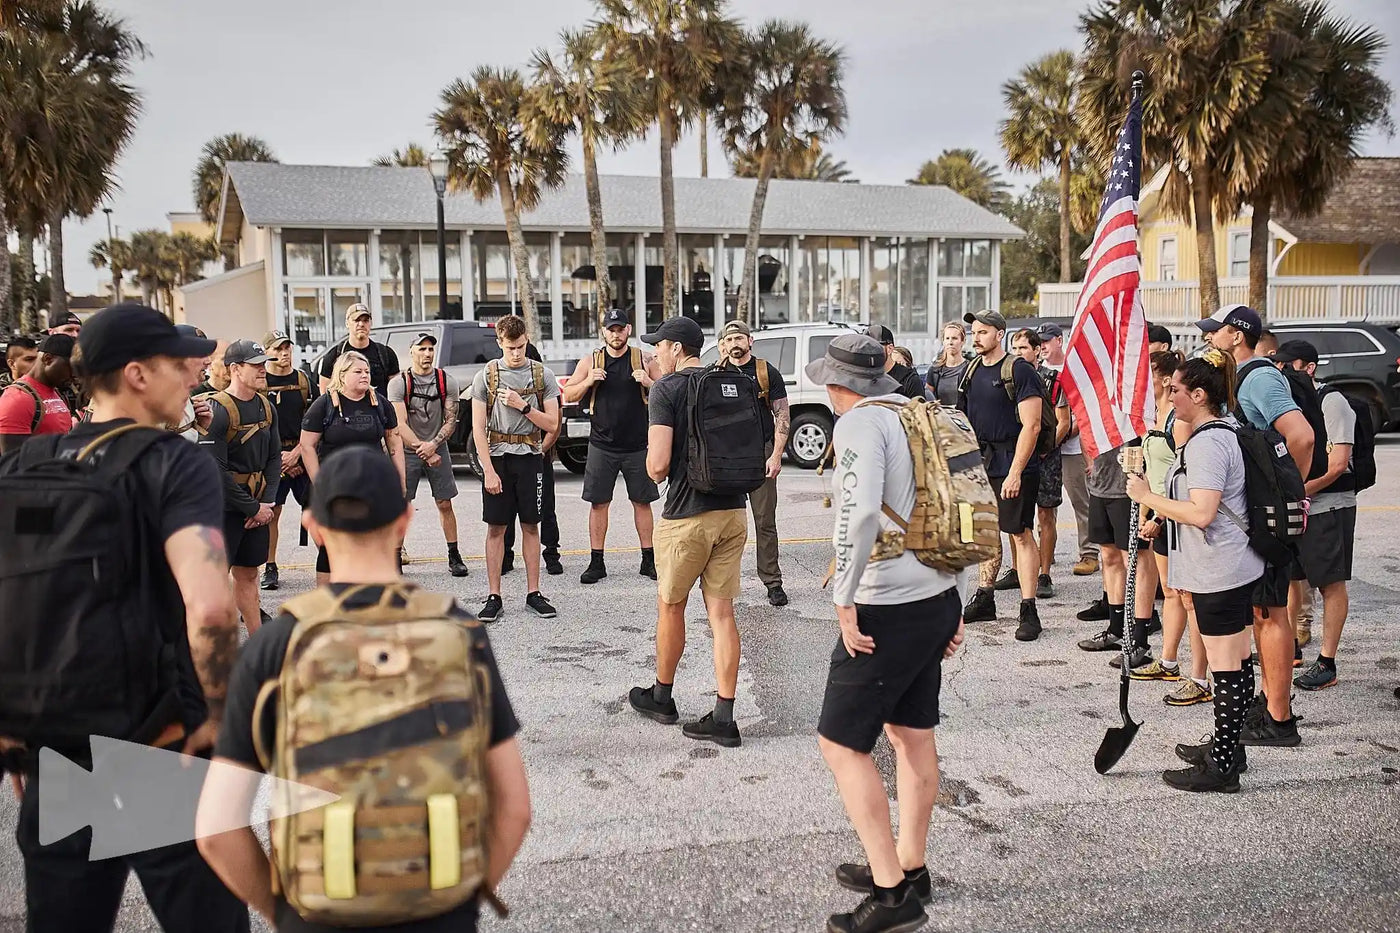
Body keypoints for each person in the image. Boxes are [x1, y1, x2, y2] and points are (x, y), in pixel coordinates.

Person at [196, 445, 530, 933]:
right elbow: (515, 808)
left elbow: (215, 827)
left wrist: (286, 915)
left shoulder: (276, 645)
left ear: (313, 527)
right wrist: (460, 905)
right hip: (440, 915)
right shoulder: (459, 632)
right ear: (404, 522)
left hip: (319, 916)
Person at [0, 302, 248, 932]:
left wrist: (12, 724)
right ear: (136, 374)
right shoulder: (175, 462)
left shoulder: (25, 464)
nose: (191, 375)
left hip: (57, 747)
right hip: (159, 745)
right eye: (176, 364)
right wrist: (222, 717)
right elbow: (211, 605)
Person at [809, 334, 966, 933]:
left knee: (841, 744)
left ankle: (892, 893)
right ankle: (910, 866)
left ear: (837, 384)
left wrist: (844, 599)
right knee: (911, 735)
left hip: (886, 604)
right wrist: (956, 595)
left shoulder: (858, 424)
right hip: (934, 596)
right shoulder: (926, 414)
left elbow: (861, 514)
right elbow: (963, 506)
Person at [1127, 349, 1260, 792]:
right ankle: (1230, 749)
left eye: (1176, 390)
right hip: (1230, 563)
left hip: (1219, 567)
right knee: (1237, 660)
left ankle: (1221, 767)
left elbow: (1203, 512)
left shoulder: (1208, 442)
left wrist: (1148, 497)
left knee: (1226, 666)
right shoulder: (1222, 431)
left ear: (1199, 395)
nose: (1169, 396)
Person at [628, 315, 749, 748]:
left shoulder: (667, 388)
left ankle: (662, 698)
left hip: (687, 517)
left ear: (677, 348)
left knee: (671, 607)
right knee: (722, 615)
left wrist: (649, 462)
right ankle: (724, 716)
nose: (656, 353)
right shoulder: (731, 381)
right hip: (733, 511)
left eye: (660, 345)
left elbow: (658, 466)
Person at [1198, 304, 1312, 747]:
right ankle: (1268, 702)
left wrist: (1287, 494)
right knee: (1261, 613)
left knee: (1270, 613)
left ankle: (1279, 719)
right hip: (1252, 516)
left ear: (1237, 335)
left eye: (1216, 331)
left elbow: (1301, 436)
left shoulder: (1258, 377)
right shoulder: (1238, 376)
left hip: (1266, 516)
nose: (1210, 338)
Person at [1129, 350, 1214, 707]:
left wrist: (1159, 517)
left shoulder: (1178, 423)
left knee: (1190, 598)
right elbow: (1154, 473)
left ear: (1165, 380)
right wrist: (1145, 511)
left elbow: (1182, 476)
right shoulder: (1156, 416)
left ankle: (1200, 677)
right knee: (1172, 592)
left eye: (1147, 374)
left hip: (1176, 516)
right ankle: (1168, 661)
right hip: (1160, 512)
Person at [1273, 340, 1356, 692]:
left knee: (1329, 584)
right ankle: (1291, 646)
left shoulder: (1331, 402)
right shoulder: (1290, 402)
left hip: (1328, 505)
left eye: (1287, 364)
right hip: (1298, 505)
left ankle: (1327, 661)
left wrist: (1299, 491)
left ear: (1308, 367)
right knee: (1294, 579)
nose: (1281, 371)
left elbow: (1338, 465)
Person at [956, 310, 1043, 641]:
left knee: (1020, 534)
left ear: (1000, 334)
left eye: (983, 332)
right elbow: (963, 421)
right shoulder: (971, 370)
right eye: (974, 331)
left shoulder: (1019, 370)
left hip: (1013, 461)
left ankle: (1029, 608)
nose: (976, 337)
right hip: (982, 462)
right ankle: (985, 598)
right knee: (986, 534)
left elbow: (1032, 425)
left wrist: (1015, 472)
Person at [469, 315, 561, 623]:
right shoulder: (486, 375)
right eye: (511, 348)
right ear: (500, 343)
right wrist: (488, 470)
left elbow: (553, 424)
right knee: (496, 527)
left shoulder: (542, 374)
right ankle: (494, 595)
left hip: (530, 457)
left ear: (526, 340)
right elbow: (478, 428)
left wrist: (523, 405)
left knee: (531, 525)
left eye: (521, 346)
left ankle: (534, 593)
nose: (517, 353)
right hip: (498, 458)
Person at [561, 307, 660, 585]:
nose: (616, 334)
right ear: (603, 332)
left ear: (628, 330)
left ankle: (648, 560)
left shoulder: (643, 358)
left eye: (620, 329)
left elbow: (667, 391)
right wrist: (588, 380)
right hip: (601, 445)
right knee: (598, 503)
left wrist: (648, 381)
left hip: (638, 445)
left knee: (642, 502)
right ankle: (597, 562)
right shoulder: (591, 361)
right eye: (611, 329)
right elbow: (569, 393)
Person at [196, 339, 281, 636]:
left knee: (249, 575)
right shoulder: (217, 409)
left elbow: (274, 458)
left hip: (257, 508)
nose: (263, 370)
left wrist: (266, 503)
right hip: (224, 510)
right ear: (235, 369)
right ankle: (216, 647)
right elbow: (214, 470)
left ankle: (258, 643)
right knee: (216, 582)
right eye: (256, 365)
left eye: (264, 364)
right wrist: (253, 508)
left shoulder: (267, 407)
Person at [300, 350, 405, 585]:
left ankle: (371, 598)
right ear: (342, 374)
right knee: (330, 550)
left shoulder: (380, 403)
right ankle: (328, 602)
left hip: (373, 488)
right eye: (358, 371)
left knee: (373, 547)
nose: (365, 375)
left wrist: (400, 481)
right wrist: (320, 484)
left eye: (367, 371)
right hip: (335, 489)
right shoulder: (325, 404)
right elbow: (307, 446)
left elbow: (395, 443)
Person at [718, 319, 790, 606]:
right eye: (729, 339)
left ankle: (773, 582)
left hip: (761, 453)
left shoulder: (765, 372)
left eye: (739, 338)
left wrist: (776, 455)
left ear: (750, 341)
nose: (734, 343)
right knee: (724, 523)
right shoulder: (714, 373)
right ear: (723, 345)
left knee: (764, 521)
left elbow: (782, 415)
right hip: (726, 456)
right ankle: (722, 585)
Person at [389, 331, 470, 577]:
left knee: (445, 502)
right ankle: (394, 555)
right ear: (411, 352)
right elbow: (399, 423)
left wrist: (433, 445)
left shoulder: (446, 381)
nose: (427, 353)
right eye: (421, 349)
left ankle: (454, 555)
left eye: (430, 349)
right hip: (407, 449)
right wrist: (422, 449)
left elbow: (451, 420)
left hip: (437, 446)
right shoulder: (399, 383)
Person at [260, 330, 318, 590]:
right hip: (272, 458)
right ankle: (270, 566)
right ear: (267, 353)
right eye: (278, 349)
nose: (284, 353)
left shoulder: (304, 381)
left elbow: (315, 421)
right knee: (271, 513)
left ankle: (329, 562)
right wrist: (280, 460)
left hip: (302, 453)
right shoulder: (259, 383)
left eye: (287, 348)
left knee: (315, 510)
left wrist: (297, 455)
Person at [501, 341, 564, 577]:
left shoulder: (543, 382)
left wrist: (541, 449)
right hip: (511, 454)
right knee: (508, 509)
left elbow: (555, 424)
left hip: (538, 453)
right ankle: (506, 556)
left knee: (546, 506)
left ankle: (551, 554)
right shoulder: (503, 382)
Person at [1041, 323, 1099, 578]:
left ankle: (1089, 552)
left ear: (1059, 340)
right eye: (1039, 342)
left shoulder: (1073, 369)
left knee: (1081, 502)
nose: (1042, 346)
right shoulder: (1039, 370)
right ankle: (1047, 551)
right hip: (1047, 447)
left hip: (1073, 447)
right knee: (1045, 505)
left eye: (1046, 340)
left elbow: (1083, 410)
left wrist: (1065, 433)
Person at [0, 333, 75, 453]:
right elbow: (12, 460)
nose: (74, 374)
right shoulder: (17, 399)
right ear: (48, 359)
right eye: (71, 367)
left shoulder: (57, 392)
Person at [317, 303, 401, 395]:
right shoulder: (334, 355)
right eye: (356, 320)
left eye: (365, 320)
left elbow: (396, 394)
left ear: (370, 323)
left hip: (379, 404)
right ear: (347, 323)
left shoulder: (386, 354)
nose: (361, 324)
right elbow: (325, 394)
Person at [866, 323, 926, 400]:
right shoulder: (862, 378)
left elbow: (919, 406)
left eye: (874, 348)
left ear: (890, 349)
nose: (869, 352)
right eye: (865, 348)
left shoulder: (909, 379)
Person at [925, 322, 969, 407]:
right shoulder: (935, 370)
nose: (950, 342)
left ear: (963, 341)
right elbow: (928, 399)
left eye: (954, 338)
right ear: (943, 341)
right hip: (941, 414)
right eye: (947, 338)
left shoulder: (970, 369)